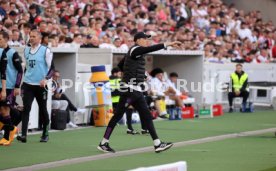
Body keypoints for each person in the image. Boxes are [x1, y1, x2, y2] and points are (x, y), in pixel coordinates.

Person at [97, 32, 181, 153]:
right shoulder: (135, 49)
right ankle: (103, 143)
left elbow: (121, 65)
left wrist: (137, 75)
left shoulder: (135, 53)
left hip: (134, 90)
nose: (147, 41)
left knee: (146, 115)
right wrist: (168, 44)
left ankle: (157, 143)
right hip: (130, 91)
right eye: (145, 39)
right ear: (138, 40)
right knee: (118, 116)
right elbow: (151, 48)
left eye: (147, 39)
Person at [17, 30, 55, 143]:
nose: (31, 38)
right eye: (30, 36)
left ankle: (45, 133)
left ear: (40, 39)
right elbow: (26, 67)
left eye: (34, 36)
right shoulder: (26, 50)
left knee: (42, 108)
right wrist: (21, 83)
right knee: (26, 108)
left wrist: (46, 79)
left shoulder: (45, 51)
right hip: (28, 84)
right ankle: (23, 135)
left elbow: (52, 68)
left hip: (40, 85)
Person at [0, 31, 23, 146]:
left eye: (0, 39)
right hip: (1, 85)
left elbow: (20, 70)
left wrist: (17, 86)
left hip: (9, 86)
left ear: (6, 39)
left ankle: (6, 137)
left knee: (5, 110)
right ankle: (12, 128)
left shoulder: (13, 53)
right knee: (3, 111)